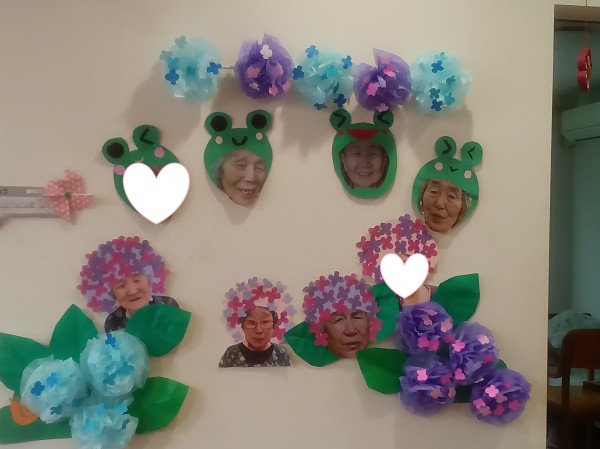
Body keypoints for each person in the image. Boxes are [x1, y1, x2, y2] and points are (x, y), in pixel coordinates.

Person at [219, 306, 291, 367]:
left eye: (265, 322)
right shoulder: (231, 353)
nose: (258, 330)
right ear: (243, 327)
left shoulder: (281, 354)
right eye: (251, 323)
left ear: (273, 327)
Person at [104, 274, 179, 332]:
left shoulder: (168, 306)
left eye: (137, 280)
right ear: (113, 294)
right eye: (121, 285)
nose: (132, 291)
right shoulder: (112, 322)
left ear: (148, 281)